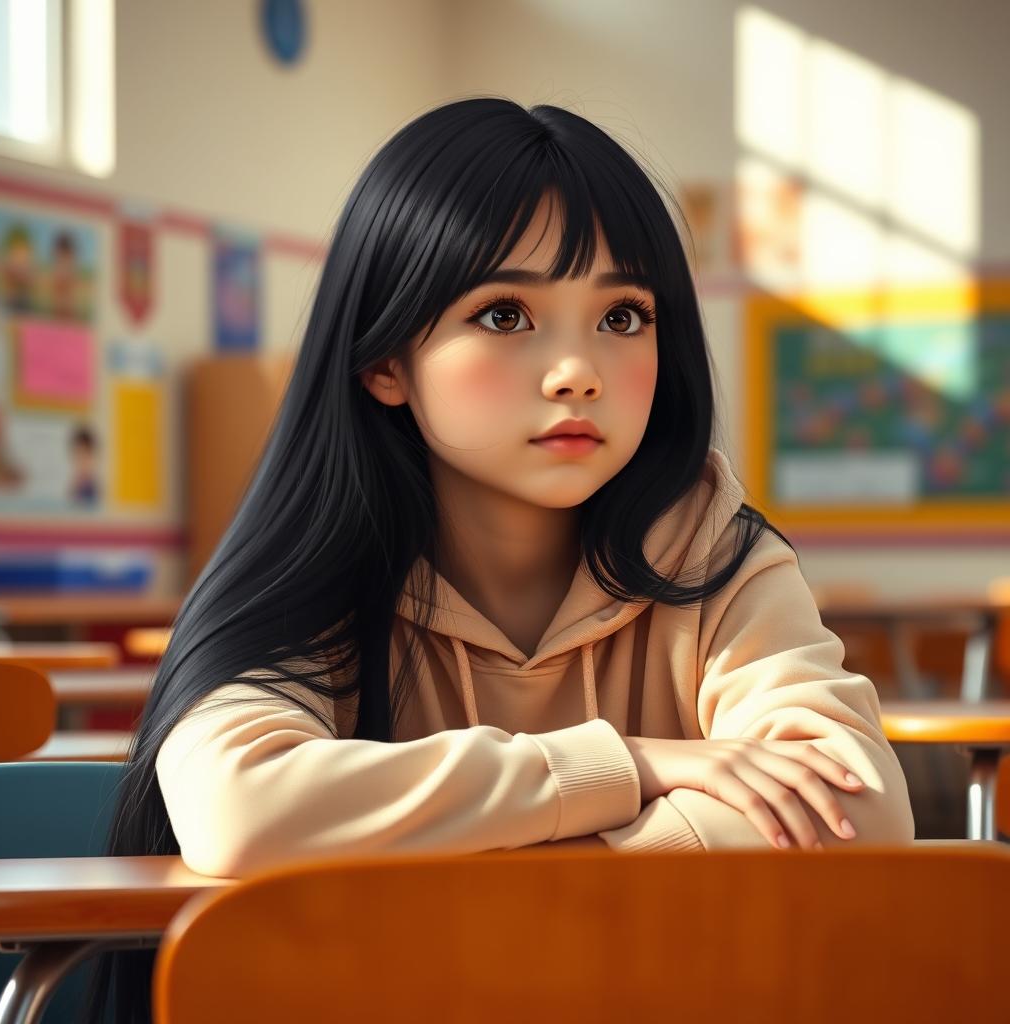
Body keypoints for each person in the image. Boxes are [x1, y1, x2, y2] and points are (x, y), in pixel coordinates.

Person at [80, 97, 914, 1023]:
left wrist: (513, 905)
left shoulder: (714, 550)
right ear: (385, 360)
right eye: (507, 313)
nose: (577, 370)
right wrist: (628, 766)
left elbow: (860, 808)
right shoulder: (315, 569)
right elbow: (241, 805)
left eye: (624, 315)